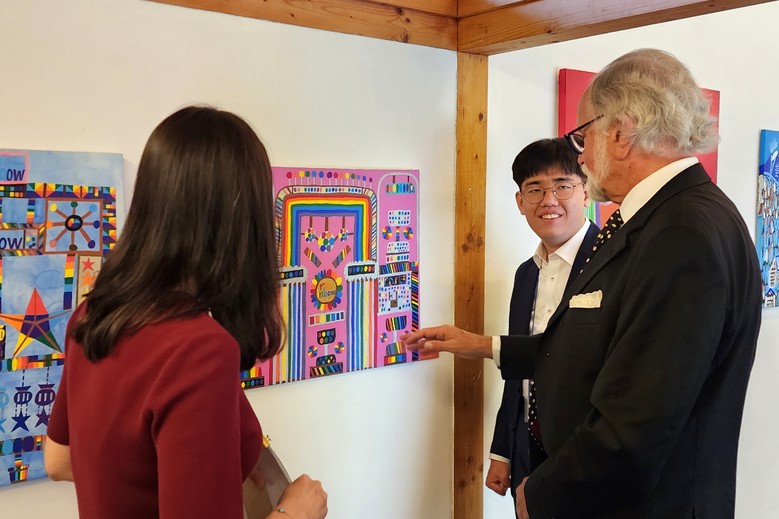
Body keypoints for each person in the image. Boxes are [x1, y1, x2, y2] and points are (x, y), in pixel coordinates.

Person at [403, 48, 761, 519]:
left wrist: (542, 494)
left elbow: (637, 423)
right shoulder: (675, 217)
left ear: (622, 132)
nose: (583, 154)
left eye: (583, 135)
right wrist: (480, 345)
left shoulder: (680, 233)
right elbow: (594, 350)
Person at [44, 106, 328, 519]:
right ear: (241, 221)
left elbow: (58, 459)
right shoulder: (199, 349)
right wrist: (295, 513)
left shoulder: (94, 314)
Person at [487, 138, 599, 507]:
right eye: (535, 189)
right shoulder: (526, 274)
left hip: (587, 452)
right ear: (520, 202)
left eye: (562, 186)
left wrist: (479, 345)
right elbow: (519, 367)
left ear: (586, 193)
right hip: (527, 448)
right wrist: (502, 451)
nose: (549, 200)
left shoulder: (614, 263)